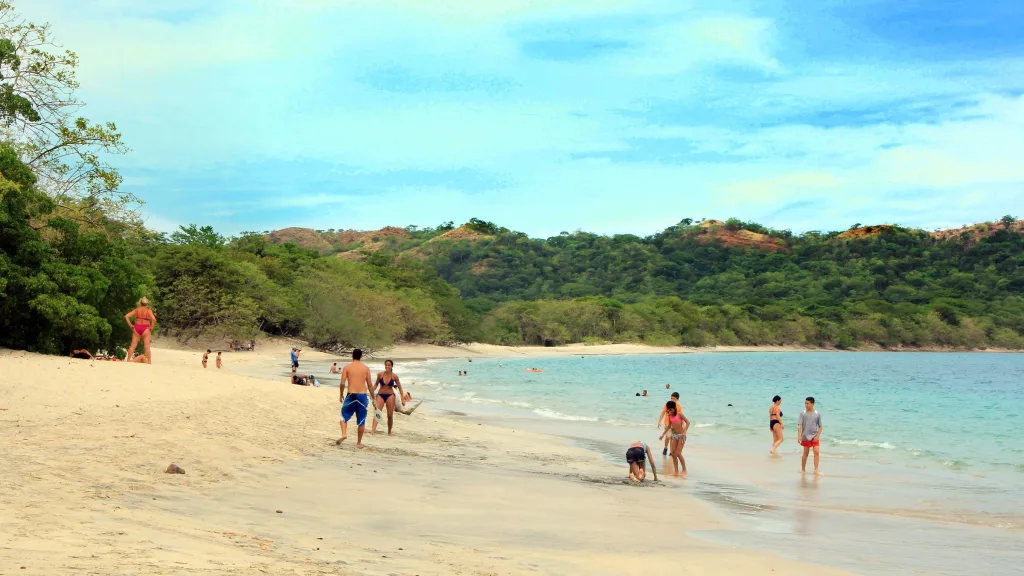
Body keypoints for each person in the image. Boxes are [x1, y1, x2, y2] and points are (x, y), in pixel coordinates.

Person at [338, 349, 375, 448]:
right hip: (362, 396)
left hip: (351, 395)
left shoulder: (347, 368)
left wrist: (341, 394)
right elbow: (370, 384)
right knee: (362, 421)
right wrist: (374, 397)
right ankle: (358, 443)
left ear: (352, 356)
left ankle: (344, 434)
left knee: (343, 417)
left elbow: (342, 383)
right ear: (361, 356)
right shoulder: (366, 368)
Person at [372, 359, 406, 435]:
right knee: (377, 413)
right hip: (380, 395)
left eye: (389, 365)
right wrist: (371, 392)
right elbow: (376, 384)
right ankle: (373, 431)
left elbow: (400, 388)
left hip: (390, 395)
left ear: (391, 366)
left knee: (390, 415)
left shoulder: (394, 376)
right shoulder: (380, 374)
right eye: (386, 365)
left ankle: (389, 432)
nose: (387, 366)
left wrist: (402, 399)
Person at [659, 401, 690, 476]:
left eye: (671, 410)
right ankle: (676, 471)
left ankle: (684, 470)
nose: (669, 411)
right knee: (673, 453)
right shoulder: (670, 416)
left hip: (681, 435)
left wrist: (684, 432)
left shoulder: (679, 414)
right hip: (675, 435)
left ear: (674, 408)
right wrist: (662, 435)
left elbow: (688, 422)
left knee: (678, 453)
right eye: (668, 410)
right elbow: (669, 426)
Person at [123, 297, 156, 364]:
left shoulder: (137, 310)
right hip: (146, 328)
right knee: (147, 347)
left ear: (140, 303)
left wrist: (130, 325)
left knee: (133, 345)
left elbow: (126, 316)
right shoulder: (148, 310)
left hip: (136, 327)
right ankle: (149, 362)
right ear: (147, 304)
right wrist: (151, 327)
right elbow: (154, 319)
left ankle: (128, 360)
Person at [797, 396, 823, 475]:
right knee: (806, 453)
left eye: (807, 403)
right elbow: (799, 425)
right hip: (805, 436)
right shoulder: (803, 413)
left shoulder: (817, 414)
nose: (806, 405)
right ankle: (803, 470)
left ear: (812, 404)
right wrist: (799, 436)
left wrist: (818, 436)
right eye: (805, 403)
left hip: (814, 436)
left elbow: (821, 426)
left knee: (816, 452)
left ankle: (816, 470)